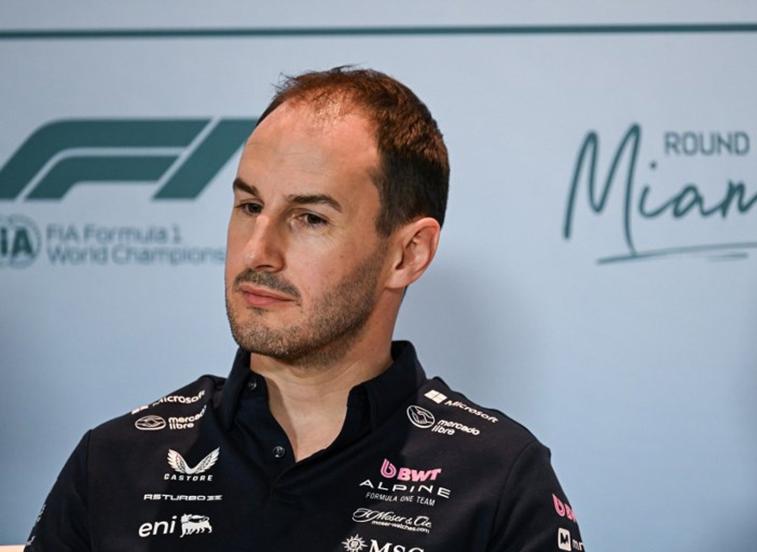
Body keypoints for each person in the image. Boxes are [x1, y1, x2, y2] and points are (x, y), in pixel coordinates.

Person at [25, 67, 584, 552]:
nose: (257, 252)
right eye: (250, 206)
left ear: (408, 254)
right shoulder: (116, 463)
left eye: (310, 218)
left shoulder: (499, 480)